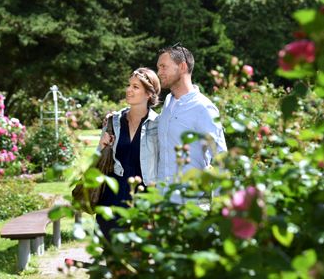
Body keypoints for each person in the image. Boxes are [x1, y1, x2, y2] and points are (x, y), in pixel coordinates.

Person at [156, 44, 227, 203]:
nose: (159, 72)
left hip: (192, 203)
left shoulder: (203, 107)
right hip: (163, 201)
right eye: (158, 67)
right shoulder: (168, 103)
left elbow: (221, 157)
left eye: (163, 67)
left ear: (182, 67)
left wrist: (220, 206)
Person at [96, 67, 161, 240]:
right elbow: (98, 159)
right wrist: (102, 145)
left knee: (140, 254)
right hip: (113, 195)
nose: (129, 90)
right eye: (129, 85)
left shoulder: (158, 124)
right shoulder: (113, 121)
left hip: (144, 195)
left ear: (149, 94)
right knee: (111, 251)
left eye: (135, 87)